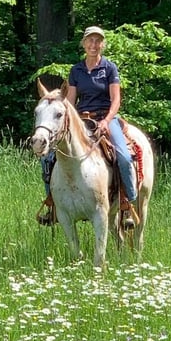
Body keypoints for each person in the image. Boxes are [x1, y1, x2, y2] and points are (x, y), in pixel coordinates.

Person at [39, 26, 137, 227]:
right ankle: (53, 204)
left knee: (124, 156)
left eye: (97, 41)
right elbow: (70, 102)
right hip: (81, 120)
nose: (94, 45)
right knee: (48, 157)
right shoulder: (76, 70)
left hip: (107, 118)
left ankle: (127, 204)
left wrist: (107, 121)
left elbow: (116, 100)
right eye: (90, 41)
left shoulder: (109, 68)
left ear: (102, 44)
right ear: (83, 44)